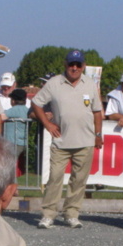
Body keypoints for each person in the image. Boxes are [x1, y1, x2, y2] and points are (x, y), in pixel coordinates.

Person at [31, 49, 102, 229]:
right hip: (61, 141)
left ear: (83, 66)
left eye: (78, 64)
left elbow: (97, 112)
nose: (75, 68)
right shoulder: (54, 83)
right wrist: (48, 124)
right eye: (72, 64)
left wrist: (98, 135)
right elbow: (36, 103)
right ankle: (48, 214)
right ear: (66, 64)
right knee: (55, 177)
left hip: (85, 141)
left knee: (78, 180)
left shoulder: (90, 84)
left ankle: (71, 214)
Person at [1, 88, 30, 171]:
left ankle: (9, 182)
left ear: (13, 100)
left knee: (7, 166)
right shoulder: (27, 110)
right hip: (22, 142)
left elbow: (1, 117)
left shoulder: (15, 109)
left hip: (12, 142)